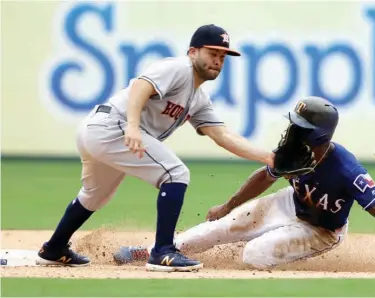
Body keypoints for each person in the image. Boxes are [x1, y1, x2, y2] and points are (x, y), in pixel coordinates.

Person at [36, 24, 274, 272]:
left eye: (222, 56)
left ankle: (53, 248)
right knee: (175, 173)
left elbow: (222, 135)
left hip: (98, 130)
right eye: (212, 53)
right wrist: (132, 126)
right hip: (112, 127)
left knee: (95, 195)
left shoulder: (199, 98)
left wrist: (268, 157)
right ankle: (163, 252)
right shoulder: (179, 68)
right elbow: (141, 86)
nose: (218, 61)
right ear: (193, 52)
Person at [112, 96, 375, 274]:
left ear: (318, 134)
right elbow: (263, 177)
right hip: (289, 203)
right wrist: (228, 207)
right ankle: (158, 250)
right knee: (218, 229)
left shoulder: (345, 167)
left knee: (255, 254)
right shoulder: (294, 152)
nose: (293, 131)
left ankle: (261, 245)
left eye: (301, 127)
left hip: (321, 230)